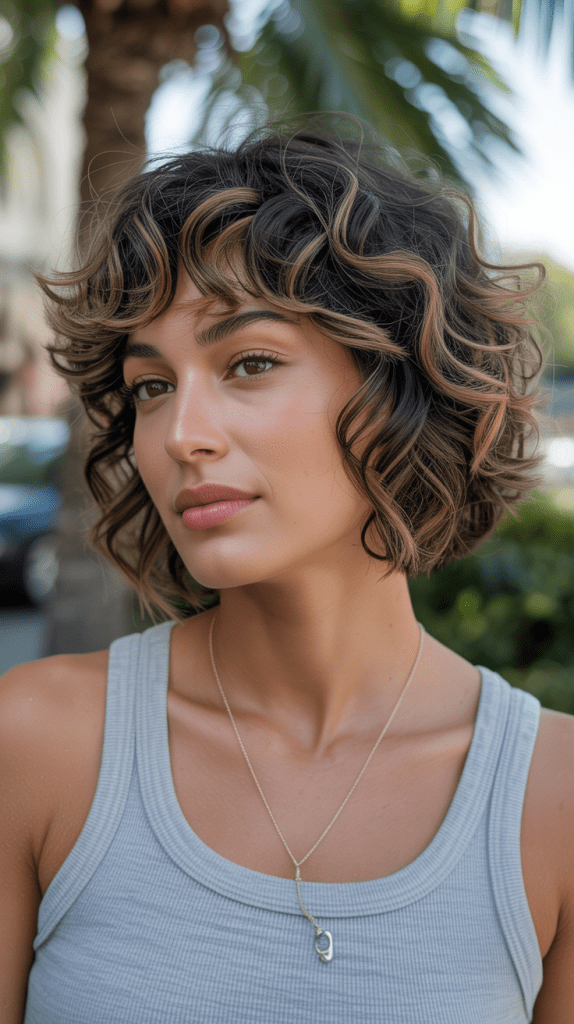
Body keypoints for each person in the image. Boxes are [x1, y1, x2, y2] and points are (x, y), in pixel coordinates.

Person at [1, 115, 573, 1024]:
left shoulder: (554, 798)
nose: (181, 434)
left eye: (250, 363)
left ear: (397, 389)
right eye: (153, 386)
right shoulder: (35, 744)